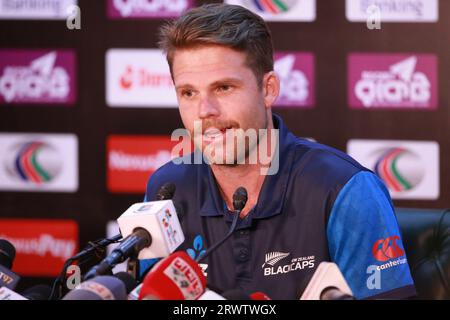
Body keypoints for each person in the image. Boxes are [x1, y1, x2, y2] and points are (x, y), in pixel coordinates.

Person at [144, 3, 416, 299]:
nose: (204, 111)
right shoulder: (166, 190)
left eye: (224, 88)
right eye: (188, 93)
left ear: (269, 89)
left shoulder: (345, 188)